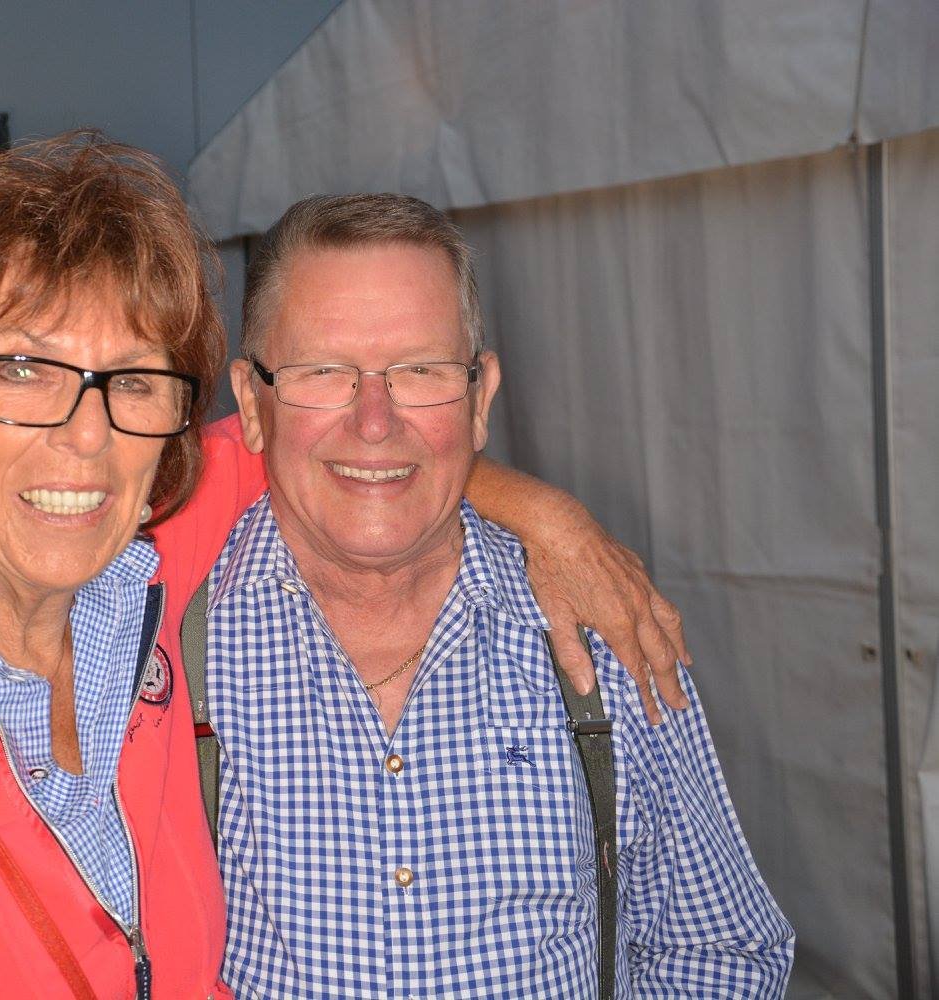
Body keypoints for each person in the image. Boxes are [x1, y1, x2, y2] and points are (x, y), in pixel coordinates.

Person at [0, 140, 693, 995]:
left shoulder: (143, 589)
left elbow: (360, 453)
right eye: (23, 371)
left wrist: (551, 521)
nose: (87, 436)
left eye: (135, 381)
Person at [205, 194, 793, 996]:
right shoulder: (159, 642)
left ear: (479, 399)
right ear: (251, 404)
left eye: (421, 371)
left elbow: (716, 951)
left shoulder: (600, 633)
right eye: (324, 372)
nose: (374, 421)